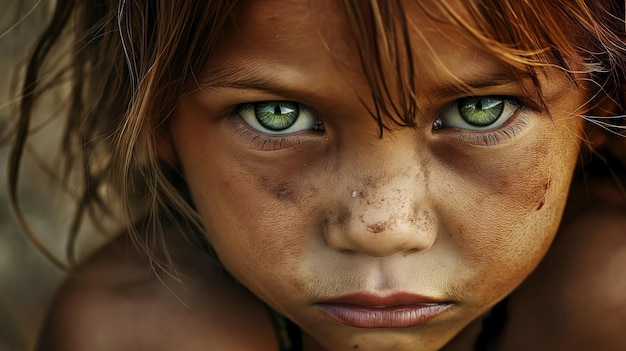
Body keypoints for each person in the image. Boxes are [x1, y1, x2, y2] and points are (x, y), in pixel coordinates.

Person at [7, 0, 626, 350]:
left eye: (478, 110)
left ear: (597, 106)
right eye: (278, 116)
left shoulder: (607, 305)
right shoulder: (134, 334)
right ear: (157, 121)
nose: (382, 227)